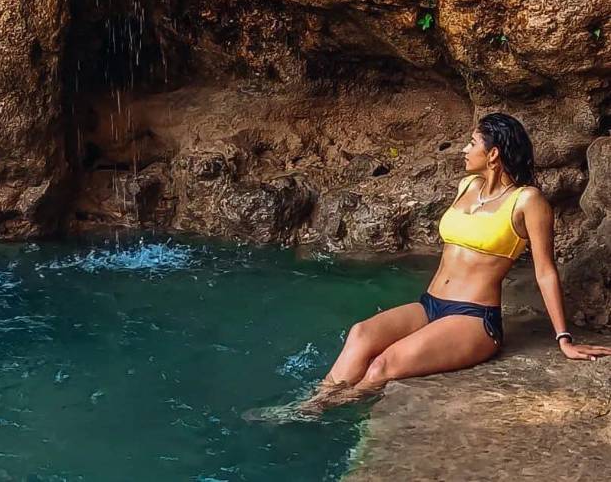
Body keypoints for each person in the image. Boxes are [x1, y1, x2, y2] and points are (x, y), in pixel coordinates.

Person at [247, 112, 611, 422]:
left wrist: (564, 339)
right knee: (361, 334)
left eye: (472, 143)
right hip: (430, 305)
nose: (465, 150)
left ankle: (316, 414)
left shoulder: (527, 201)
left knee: (382, 367)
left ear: (494, 153)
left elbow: (545, 270)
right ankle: (312, 403)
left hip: (473, 318)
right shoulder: (467, 185)